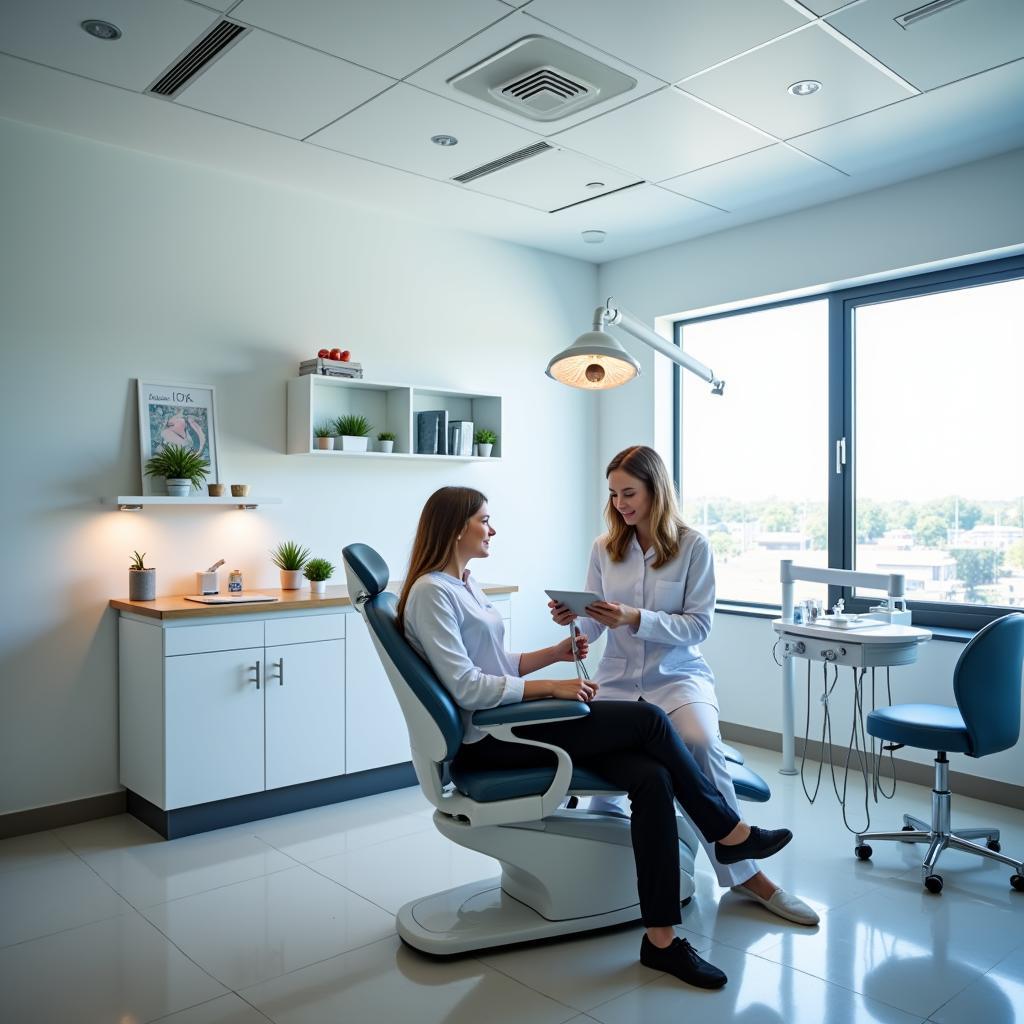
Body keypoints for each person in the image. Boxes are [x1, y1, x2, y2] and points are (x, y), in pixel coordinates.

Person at [399, 485, 795, 990]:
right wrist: (553, 687)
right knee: (651, 723)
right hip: (497, 738)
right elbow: (468, 688)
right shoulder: (433, 591)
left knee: (652, 779)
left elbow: (497, 667)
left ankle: (661, 941)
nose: (492, 529)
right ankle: (728, 831)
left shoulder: (465, 584)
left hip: (514, 721)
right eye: (484, 519)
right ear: (457, 526)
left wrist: (556, 654)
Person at [550, 445, 818, 927]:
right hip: (616, 680)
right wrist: (574, 619)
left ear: (656, 489)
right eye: (613, 495)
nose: (620, 505)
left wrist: (638, 618)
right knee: (614, 774)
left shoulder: (693, 546)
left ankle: (747, 876)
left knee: (699, 741)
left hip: (678, 679)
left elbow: (698, 627)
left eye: (628, 493)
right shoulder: (604, 549)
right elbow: (592, 628)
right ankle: (604, 870)